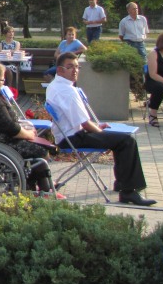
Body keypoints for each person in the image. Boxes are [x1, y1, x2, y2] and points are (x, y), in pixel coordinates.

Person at [46, 52, 156, 206]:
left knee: (119, 139)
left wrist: (100, 131)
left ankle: (122, 184)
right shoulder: (67, 91)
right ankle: (128, 192)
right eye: (70, 67)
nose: (75, 70)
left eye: (77, 67)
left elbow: (81, 122)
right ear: (59, 70)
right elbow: (85, 124)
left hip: (67, 135)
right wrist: (101, 133)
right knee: (126, 141)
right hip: (73, 138)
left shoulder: (54, 86)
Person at [0, 62, 59, 196]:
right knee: (40, 151)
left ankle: (33, 187)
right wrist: (28, 134)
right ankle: (43, 190)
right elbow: (9, 127)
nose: (3, 84)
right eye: (2, 80)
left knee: (34, 147)